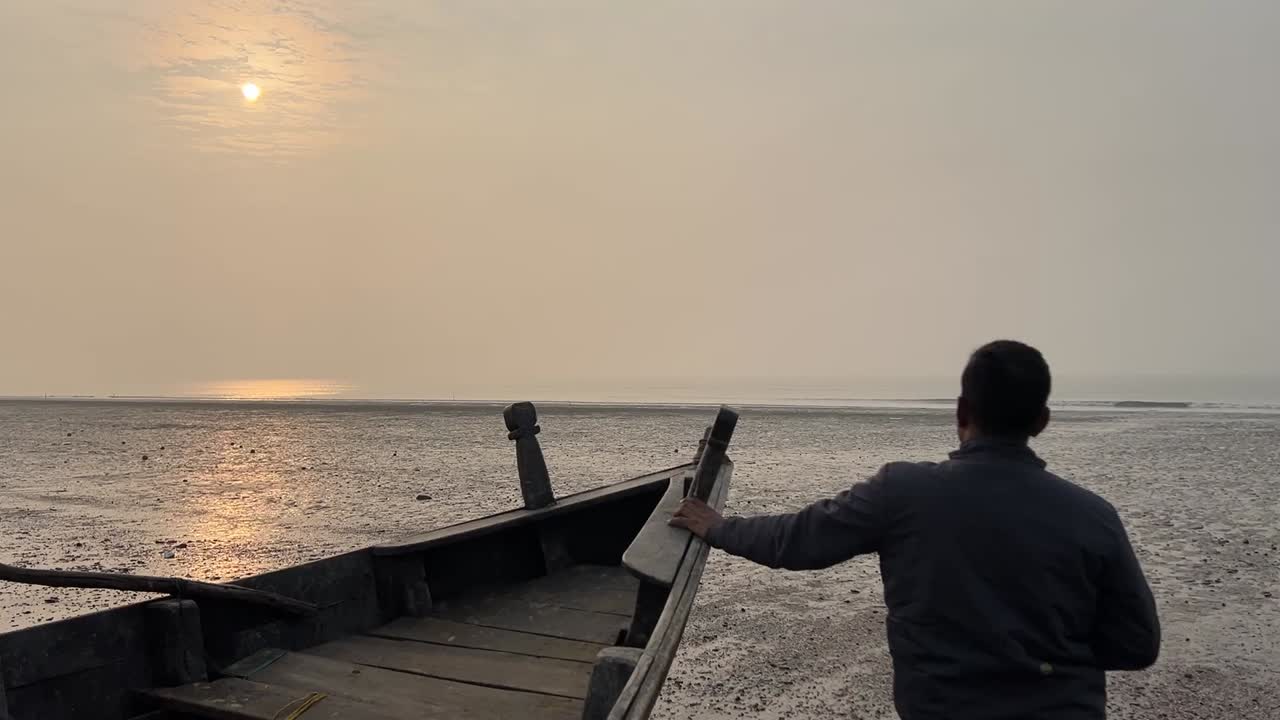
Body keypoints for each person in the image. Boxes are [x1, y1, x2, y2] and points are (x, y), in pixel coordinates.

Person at [670, 340, 1159, 719]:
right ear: (1043, 420)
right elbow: (1137, 645)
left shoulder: (904, 492)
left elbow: (796, 542)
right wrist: (1051, 656)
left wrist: (718, 527)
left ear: (962, 412)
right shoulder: (1093, 515)